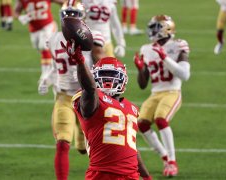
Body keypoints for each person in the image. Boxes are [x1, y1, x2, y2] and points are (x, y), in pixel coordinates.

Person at [60, 42, 152, 179]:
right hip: (102, 174)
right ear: (94, 78)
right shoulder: (93, 99)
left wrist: (147, 177)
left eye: (113, 75)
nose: (108, 79)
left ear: (123, 80)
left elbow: (132, 148)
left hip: (131, 175)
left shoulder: (132, 108)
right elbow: (89, 88)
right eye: (103, 74)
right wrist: (80, 61)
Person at [38, 2, 106, 179]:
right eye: (67, 14)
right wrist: (45, 78)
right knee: (62, 142)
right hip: (64, 97)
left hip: (87, 97)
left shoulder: (93, 36)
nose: (70, 18)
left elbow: (100, 64)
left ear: (82, 15)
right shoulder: (53, 38)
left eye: (74, 14)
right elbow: (54, 66)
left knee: (88, 148)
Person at [134, 15, 190, 177]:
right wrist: (140, 70)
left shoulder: (178, 45)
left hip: (173, 91)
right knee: (142, 123)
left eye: (155, 28)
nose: (152, 31)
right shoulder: (147, 49)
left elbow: (184, 75)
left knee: (160, 119)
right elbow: (143, 84)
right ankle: (164, 156)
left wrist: (164, 57)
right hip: (155, 93)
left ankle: (172, 161)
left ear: (166, 29)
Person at [14, 0, 64, 83]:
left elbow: (63, 2)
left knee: (44, 46)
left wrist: (66, 13)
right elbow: (16, 12)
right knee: (40, 48)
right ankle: (55, 66)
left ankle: (45, 75)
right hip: (34, 29)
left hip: (48, 25)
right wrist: (20, 17)